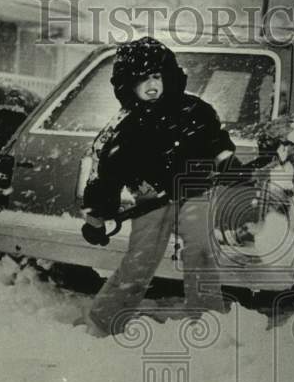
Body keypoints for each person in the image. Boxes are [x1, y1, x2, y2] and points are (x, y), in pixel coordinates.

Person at [79, 36, 241, 336]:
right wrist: (95, 218)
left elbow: (218, 141)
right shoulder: (124, 127)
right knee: (140, 263)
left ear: (168, 75)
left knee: (201, 252)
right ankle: (104, 321)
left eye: (156, 76)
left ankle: (209, 318)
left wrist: (226, 161)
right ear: (128, 84)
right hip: (150, 198)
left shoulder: (195, 111)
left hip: (194, 191)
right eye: (141, 79)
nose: (151, 85)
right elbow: (105, 176)